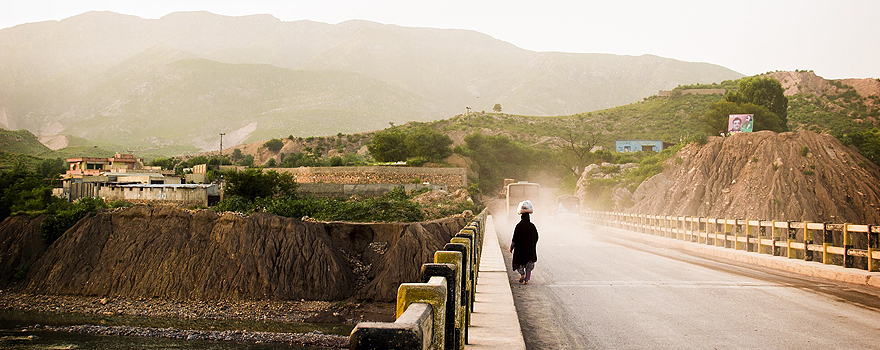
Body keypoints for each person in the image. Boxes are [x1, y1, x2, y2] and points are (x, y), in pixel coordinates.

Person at [510, 201, 539, 285]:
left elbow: (514, 238)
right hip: (530, 249)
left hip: (520, 249)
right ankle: (526, 280)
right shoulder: (532, 226)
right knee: (529, 266)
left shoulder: (518, 226)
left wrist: (511, 247)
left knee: (519, 263)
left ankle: (522, 273)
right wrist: (532, 244)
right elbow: (536, 237)